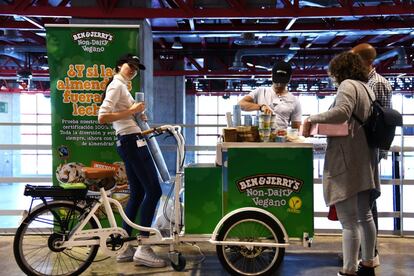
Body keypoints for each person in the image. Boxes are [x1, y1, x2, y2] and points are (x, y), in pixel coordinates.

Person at [302, 51, 379, 276]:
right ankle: (368, 264)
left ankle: (348, 270)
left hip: (347, 158)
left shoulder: (347, 85)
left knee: (348, 221)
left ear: (340, 70)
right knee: (365, 215)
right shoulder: (366, 87)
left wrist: (311, 119)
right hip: (364, 157)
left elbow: (342, 113)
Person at [98, 53, 166, 268]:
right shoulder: (116, 85)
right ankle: (144, 248)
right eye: (130, 66)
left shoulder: (123, 88)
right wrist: (132, 111)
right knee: (154, 191)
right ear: (119, 66)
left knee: (137, 194)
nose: (133, 70)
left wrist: (139, 117)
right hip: (131, 142)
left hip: (131, 140)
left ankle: (125, 245)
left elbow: (124, 117)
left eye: (136, 68)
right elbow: (102, 116)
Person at [351, 43, 393, 268]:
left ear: (364, 60)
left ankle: (369, 253)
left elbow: (377, 121)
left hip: (369, 149)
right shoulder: (369, 82)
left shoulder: (376, 83)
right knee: (364, 204)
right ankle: (365, 251)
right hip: (366, 149)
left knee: (367, 204)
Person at [238, 60, 302, 129]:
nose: (279, 84)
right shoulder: (260, 91)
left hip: (281, 137)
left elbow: (296, 130)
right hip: (261, 136)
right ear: (271, 75)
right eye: (277, 80)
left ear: (289, 78)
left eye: (282, 81)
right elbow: (240, 105)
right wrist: (261, 107)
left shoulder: (294, 101)